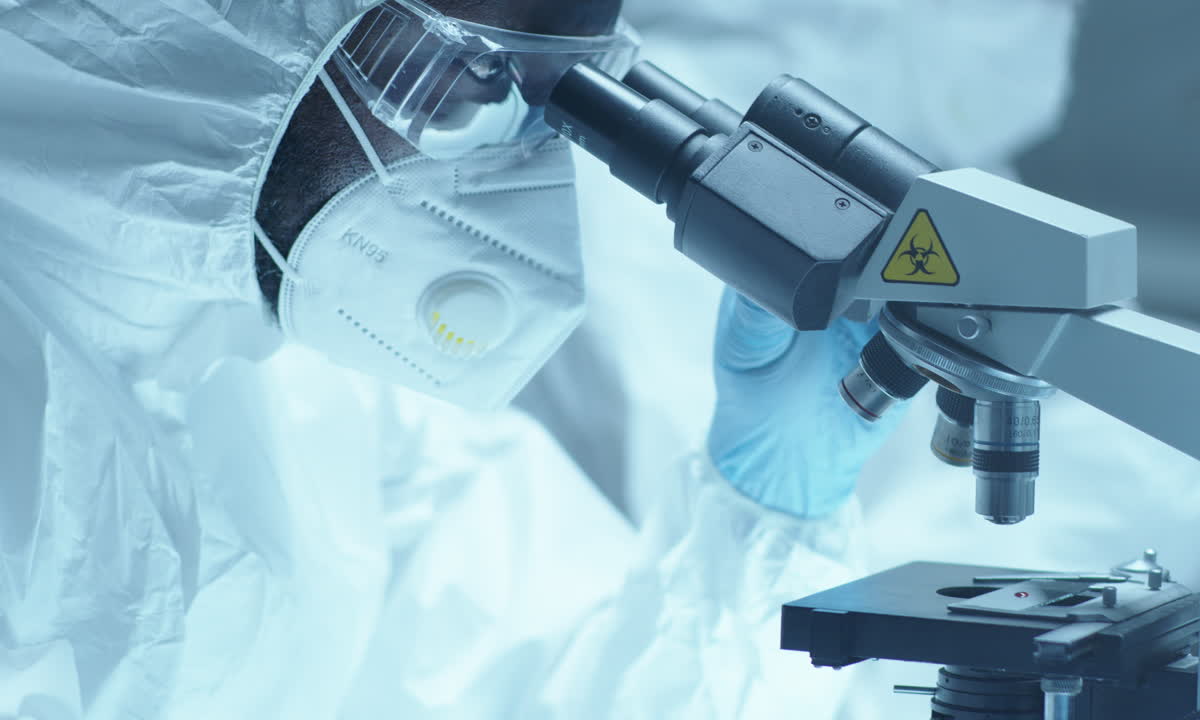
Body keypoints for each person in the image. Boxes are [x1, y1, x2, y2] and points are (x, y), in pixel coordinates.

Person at [0, 1, 905, 717]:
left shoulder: (301, 376)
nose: (520, 178)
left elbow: (546, 684)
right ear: (225, 24)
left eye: (570, 96)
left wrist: (767, 514)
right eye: (477, 77)